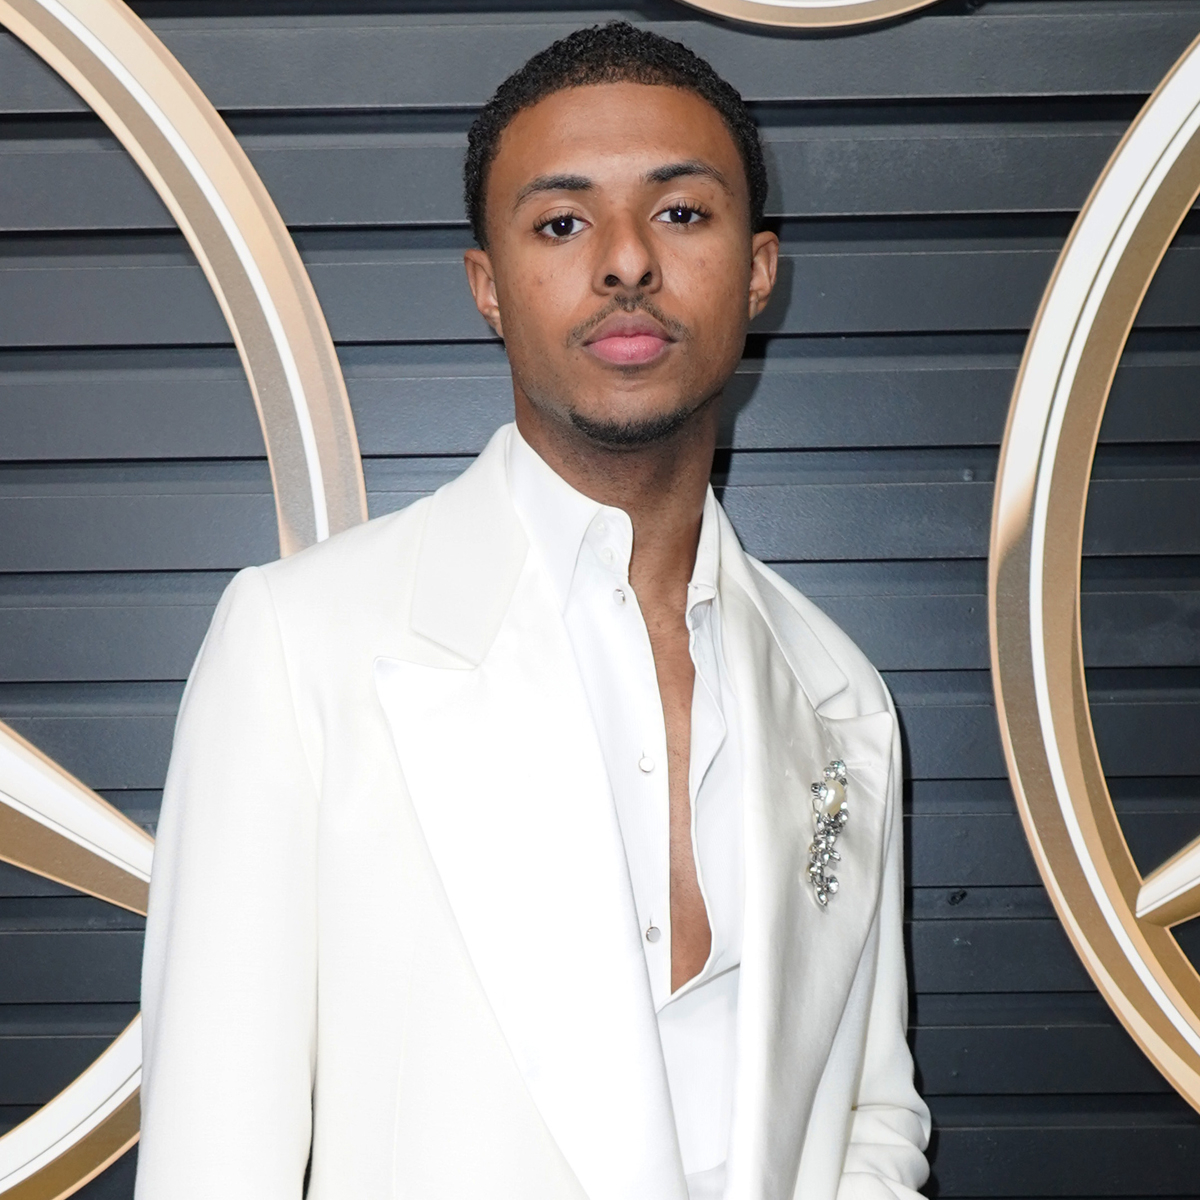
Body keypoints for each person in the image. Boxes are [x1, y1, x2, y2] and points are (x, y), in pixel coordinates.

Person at [135, 21, 930, 1200]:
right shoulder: (301, 645)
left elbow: (868, 1114)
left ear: (760, 270)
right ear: (488, 287)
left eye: (681, 212)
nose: (626, 262)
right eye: (562, 223)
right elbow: (213, 1156)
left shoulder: (839, 691)